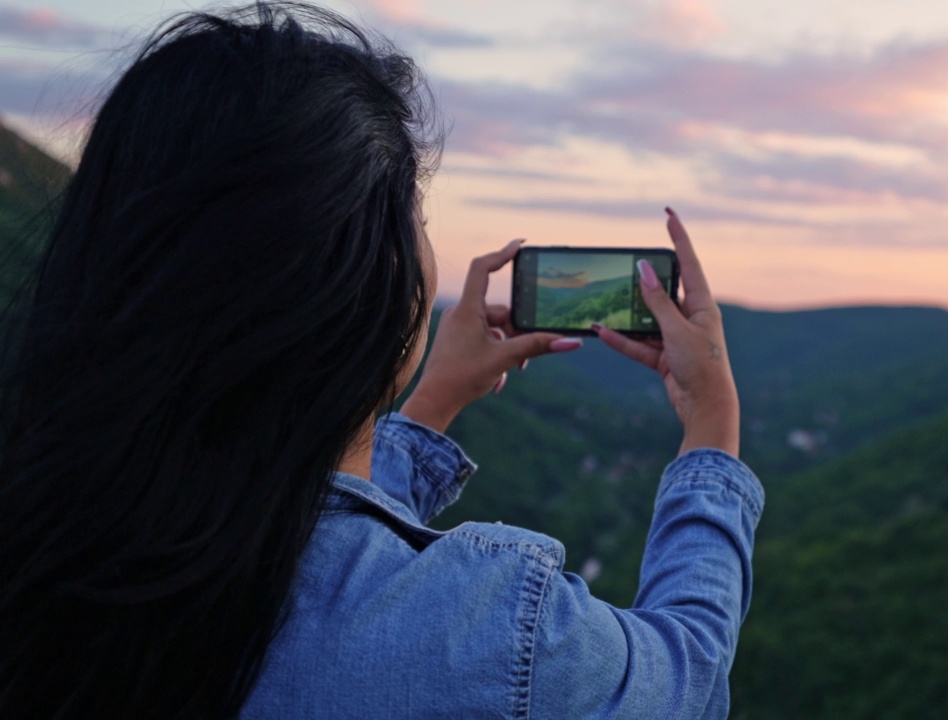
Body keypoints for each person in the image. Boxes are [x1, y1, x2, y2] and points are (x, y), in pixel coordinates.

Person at [0, 3, 763, 719]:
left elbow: (298, 536)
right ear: (365, 278)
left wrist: (427, 409)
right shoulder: (490, 631)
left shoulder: (65, 541)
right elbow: (686, 673)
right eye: (415, 218)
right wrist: (712, 426)